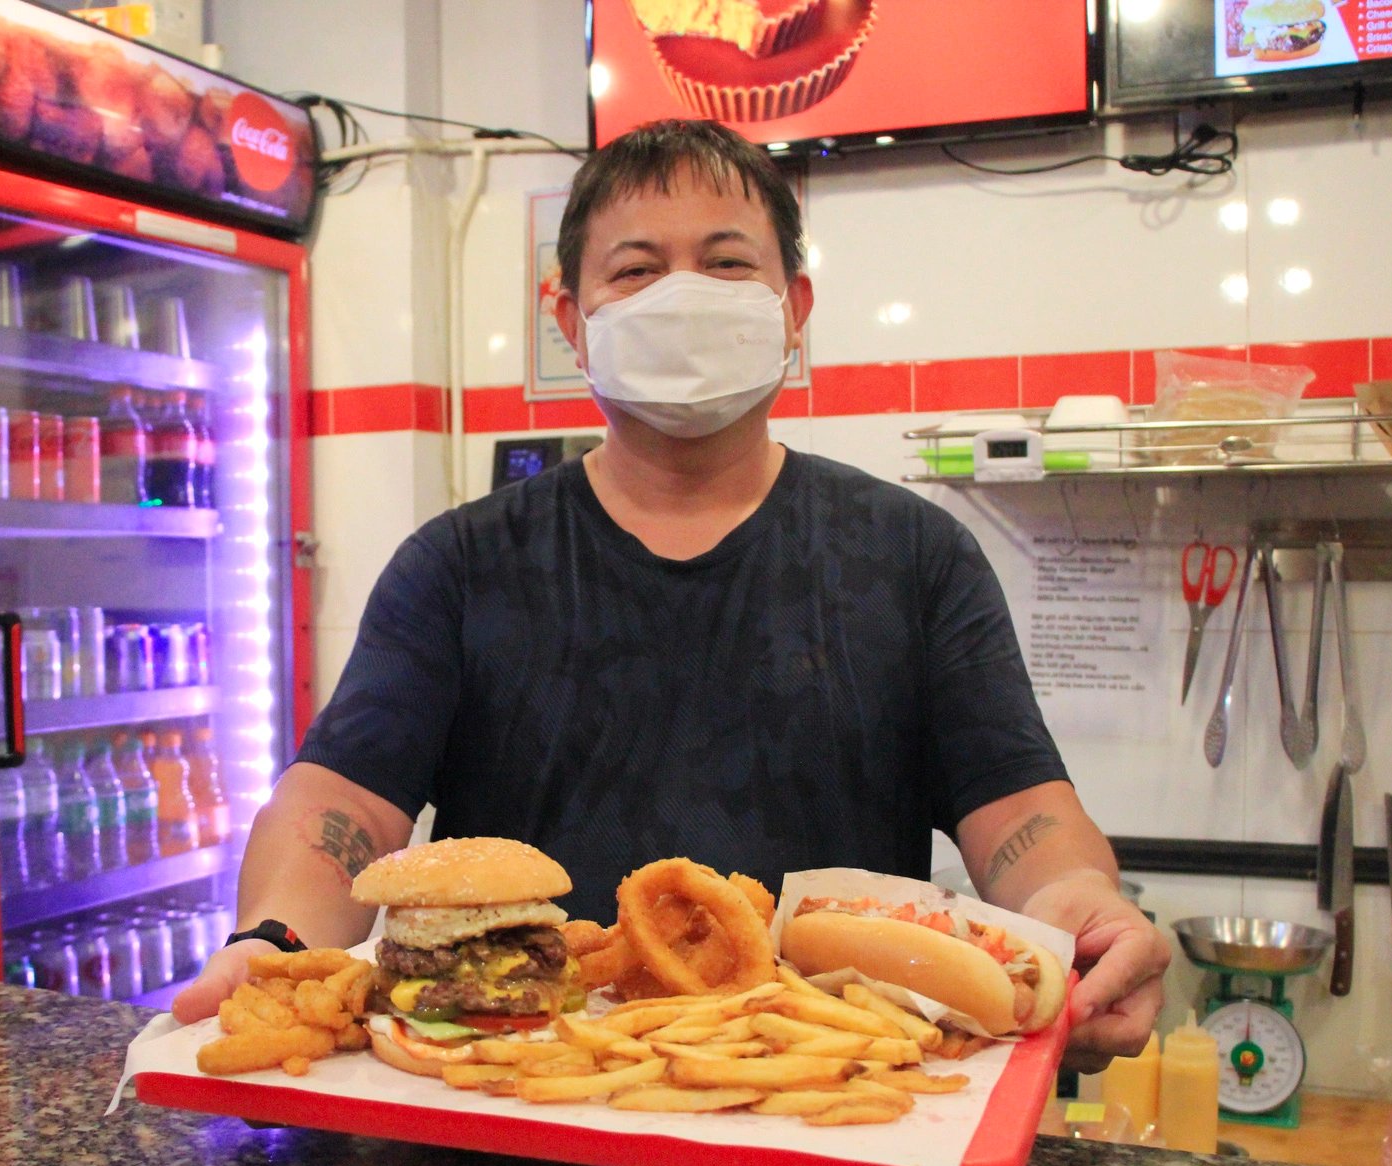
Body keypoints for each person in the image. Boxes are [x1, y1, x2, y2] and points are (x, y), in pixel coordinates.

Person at [177, 119, 1169, 1072]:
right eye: (636, 268)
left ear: (794, 306)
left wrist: (1080, 903)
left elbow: (1019, 814)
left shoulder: (912, 555)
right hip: (517, 1107)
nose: (682, 293)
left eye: (728, 262)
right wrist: (274, 938)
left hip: (849, 1119)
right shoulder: (462, 562)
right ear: (569, 318)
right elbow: (342, 802)